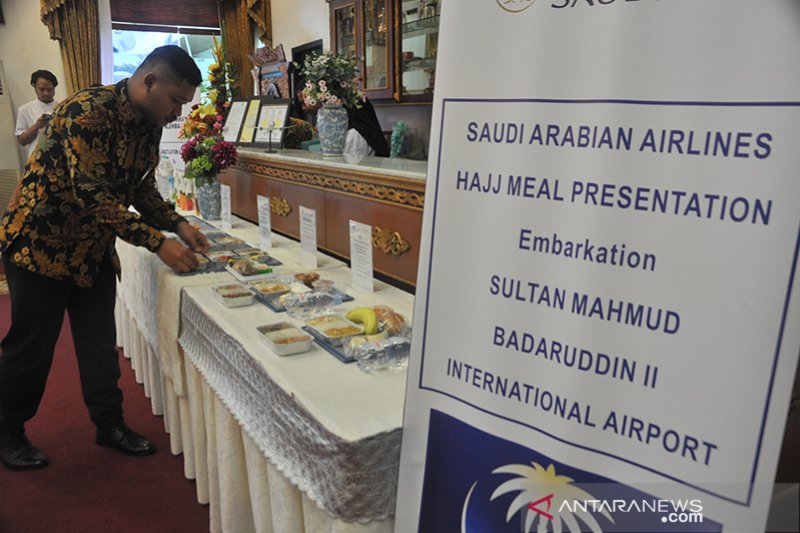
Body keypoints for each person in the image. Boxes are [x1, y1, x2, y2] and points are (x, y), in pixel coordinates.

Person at [0, 45, 209, 470]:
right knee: (31, 348)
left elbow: (139, 188)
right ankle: (7, 431)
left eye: (184, 105)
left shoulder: (149, 123)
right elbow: (93, 196)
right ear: (149, 81)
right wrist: (157, 242)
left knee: (98, 345)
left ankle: (109, 425)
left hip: (91, 250)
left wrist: (177, 224)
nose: (177, 113)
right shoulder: (87, 112)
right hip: (40, 247)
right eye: (175, 101)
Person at [15, 69, 59, 158]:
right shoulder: (24, 109)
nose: (46, 93)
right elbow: (22, 141)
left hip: (59, 157)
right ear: (35, 87)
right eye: (42, 89)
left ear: (54, 88)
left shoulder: (62, 107)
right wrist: (37, 126)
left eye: (49, 89)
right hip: (36, 159)